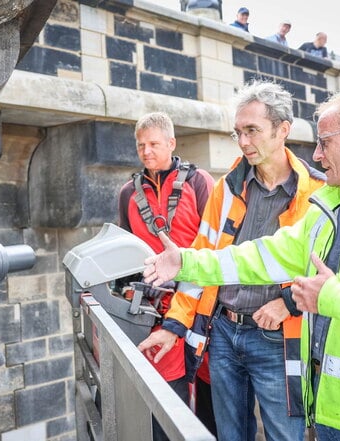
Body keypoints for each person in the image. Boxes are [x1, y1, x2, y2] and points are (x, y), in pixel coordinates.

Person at [142, 91, 340, 441]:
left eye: (325, 142)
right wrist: (185, 262)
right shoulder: (328, 207)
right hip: (331, 414)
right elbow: (260, 256)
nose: (316, 154)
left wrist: (332, 298)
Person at [138, 80, 326, 441]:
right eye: (237, 133)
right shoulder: (227, 187)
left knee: (284, 436)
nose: (242, 143)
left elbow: (329, 271)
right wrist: (174, 325)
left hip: (278, 338)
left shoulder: (317, 193)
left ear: (283, 130)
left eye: (252, 131)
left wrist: (288, 303)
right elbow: (203, 259)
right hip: (223, 333)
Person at [118, 111, 214, 441]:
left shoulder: (198, 182)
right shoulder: (127, 193)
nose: (146, 151)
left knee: (209, 390)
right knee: (165, 393)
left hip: (200, 298)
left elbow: (214, 241)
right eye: (140, 145)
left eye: (154, 144)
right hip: (154, 306)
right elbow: (124, 250)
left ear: (171, 143)